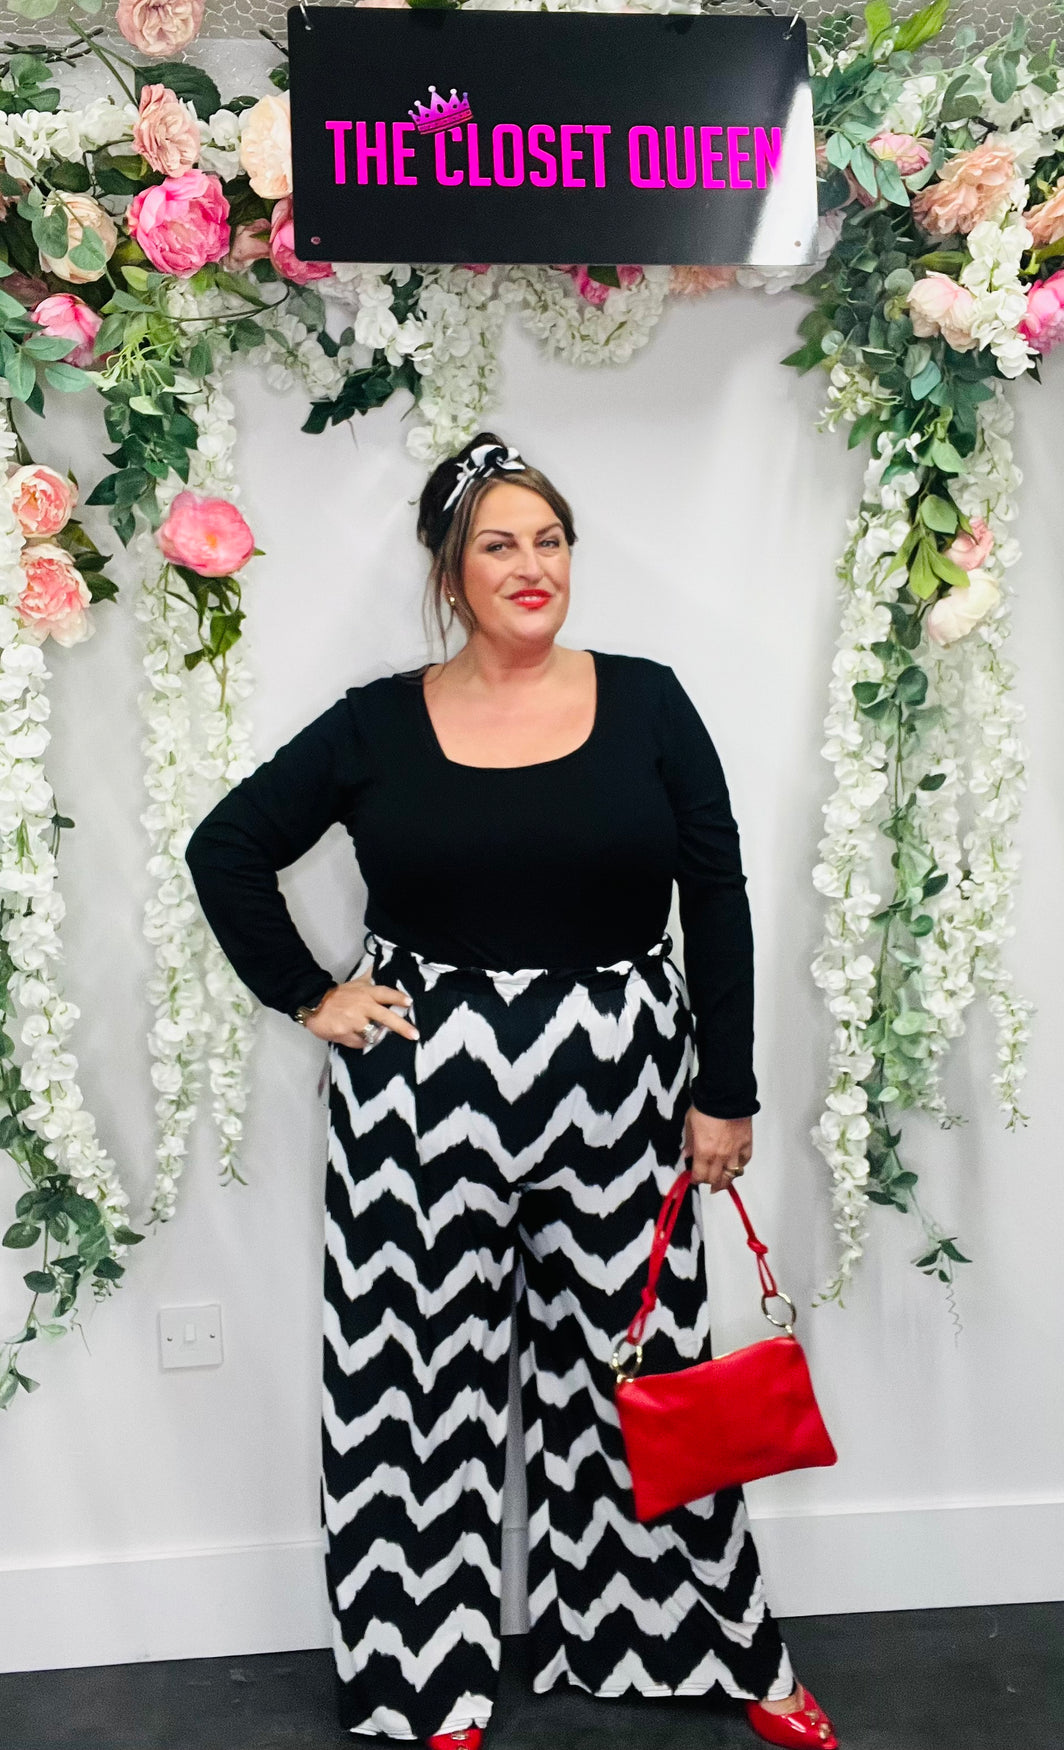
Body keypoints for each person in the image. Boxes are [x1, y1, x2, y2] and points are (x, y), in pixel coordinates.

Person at [184, 433, 839, 1750]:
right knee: (414, 1383)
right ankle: (424, 1678)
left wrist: (725, 1086)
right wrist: (312, 995)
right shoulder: (376, 722)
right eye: (498, 543)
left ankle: (694, 1647)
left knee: (640, 1373)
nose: (531, 565)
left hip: (624, 1087)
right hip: (421, 1092)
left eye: (549, 539)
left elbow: (715, 896)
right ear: (451, 573)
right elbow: (229, 846)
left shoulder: (649, 703)